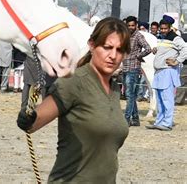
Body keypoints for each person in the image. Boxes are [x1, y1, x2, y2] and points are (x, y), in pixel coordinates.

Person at [17, 17, 130, 182]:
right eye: (107, 47)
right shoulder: (74, 82)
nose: (113, 55)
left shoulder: (114, 88)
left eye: (119, 50)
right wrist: (28, 118)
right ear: (92, 45)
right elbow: (34, 122)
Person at [146, 16, 187, 131]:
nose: (163, 30)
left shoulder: (175, 38)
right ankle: (159, 122)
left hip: (168, 72)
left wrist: (177, 61)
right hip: (159, 72)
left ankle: (167, 123)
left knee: (167, 99)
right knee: (159, 99)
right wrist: (156, 50)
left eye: (165, 28)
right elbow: (165, 51)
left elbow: (185, 50)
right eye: (161, 28)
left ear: (170, 28)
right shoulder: (160, 38)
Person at [122, 16, 151, 126]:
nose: (130, 27)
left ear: (136, 25)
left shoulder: (139, 36)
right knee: (130, 95)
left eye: (132, 25)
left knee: (129, 95)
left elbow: (148, 48)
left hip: (133, 68)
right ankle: (135, 119)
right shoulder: (125, 36)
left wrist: (138, 56)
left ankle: (127, 118)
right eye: (128, 25)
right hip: (125, 67)